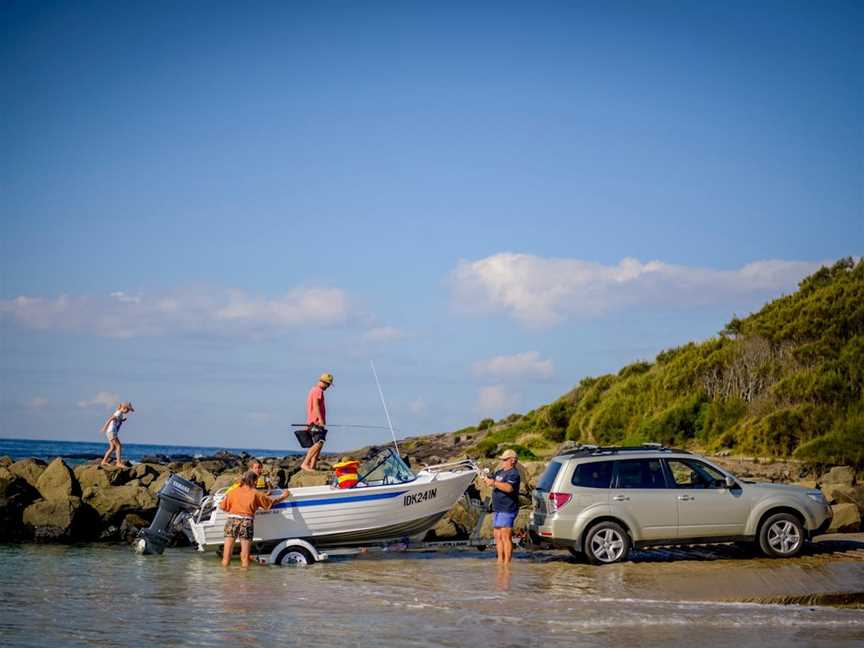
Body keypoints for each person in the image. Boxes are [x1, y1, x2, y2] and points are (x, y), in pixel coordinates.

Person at [219, 470, 290, 567]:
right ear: (254, 481)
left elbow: (223, 507)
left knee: (226, 556)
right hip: (246, 522)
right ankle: (245, 580)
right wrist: (283, 496)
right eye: (256, 481)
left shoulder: (233, 492)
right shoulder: (255, 493)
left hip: (232, 520)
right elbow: (270, 503)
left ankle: (225, 579)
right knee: (244, 556)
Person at [482, 448, 521, 564]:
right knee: (497, 537)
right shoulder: (499, 472)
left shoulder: (514, 473)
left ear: (512, 460)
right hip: (497, 509)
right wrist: (486, 479)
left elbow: (509, 488)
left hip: (507, 509)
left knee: (505, 537)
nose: (502, 462)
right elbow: (492, 482)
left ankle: (507, 563)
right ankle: (500, 561)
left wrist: (493, 483)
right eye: (502, 460)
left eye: (505, 460)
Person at [301, 372, 333, 472]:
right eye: (328, 384)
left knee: (319, 444)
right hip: (316, 422)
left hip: (312, 422)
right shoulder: (318, 390)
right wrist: (321, 420)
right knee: (319, 442)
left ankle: (312, 466)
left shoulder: (313, 390)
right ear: (324, 382)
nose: (328, 387)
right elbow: (316, 406)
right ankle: (305, 464)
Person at [100, 402, 134, 467]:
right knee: (119, 446)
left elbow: (117, 420)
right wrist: (104, 427)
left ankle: (104, 461)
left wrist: (123, 420)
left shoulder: (120, 414)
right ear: (124, 408)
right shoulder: (118, 413)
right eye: (127, 410)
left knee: (112, 447)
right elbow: (111, 418)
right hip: (111, 431)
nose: (127, 412)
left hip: (112, 432)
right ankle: (118, 463)